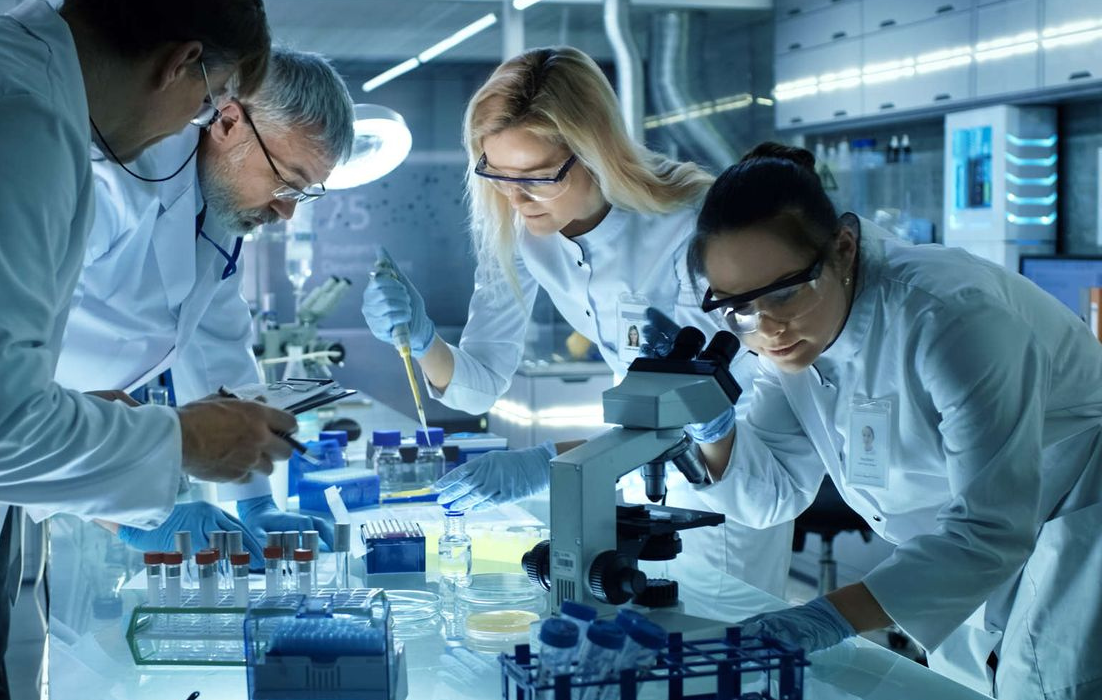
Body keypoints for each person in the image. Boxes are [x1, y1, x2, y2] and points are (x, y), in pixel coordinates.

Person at [0, 2, 290, 698]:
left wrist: (101, 426)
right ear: (180, 63)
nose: (193, 128)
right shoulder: (22, 121)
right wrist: (179, 441)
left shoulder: (6, 77)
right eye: (206, 105)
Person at [360, 46, 794, 598]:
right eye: (497, 174)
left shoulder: (690, 228)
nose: (516, 198)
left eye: (539, 177)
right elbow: (478, 384)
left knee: (722, 639)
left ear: (595, 152)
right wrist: (423, 339)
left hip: (730, 478)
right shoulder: (523, 229)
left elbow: (703, 411)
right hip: (631, 470)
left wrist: (545, 465)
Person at [679, 142, 1102, 699]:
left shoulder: (951, 319)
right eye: (741, 308)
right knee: (967, 690)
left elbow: (992, 528)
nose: (769, 328)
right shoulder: (788, 344)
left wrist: (828, 616)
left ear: (844, 248)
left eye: (784, 293)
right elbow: (773, 493)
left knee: (1046, 687)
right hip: (952, 551)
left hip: (1072, 513)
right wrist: (712, 431)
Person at [60, 48, 357, 560]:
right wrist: (128, 517)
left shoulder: (218, 210)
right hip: (16, 453)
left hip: (70, 453)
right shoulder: (112, 183)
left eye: (302, 193)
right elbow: (12, 394)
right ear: (229, 122)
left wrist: (254, 499)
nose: (287, 211)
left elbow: (216, 345)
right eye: (286, 182)